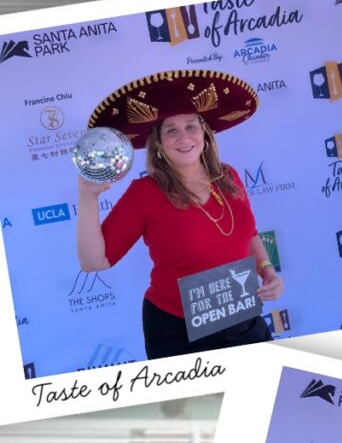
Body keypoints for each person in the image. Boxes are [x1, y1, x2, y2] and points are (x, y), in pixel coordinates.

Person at [76, 69, 284, 359]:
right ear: (159, 142)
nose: (183, 137)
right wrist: (88, 199)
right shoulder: (145, 192)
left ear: (205, 133)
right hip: (179, 331)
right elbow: (93, 262)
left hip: (242, 317)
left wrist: (268, 271)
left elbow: (248, 234)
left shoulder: (229, 176)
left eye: (191, 126)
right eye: (171, 129)